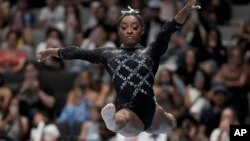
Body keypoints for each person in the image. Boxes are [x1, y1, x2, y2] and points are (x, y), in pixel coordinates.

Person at [37, 0, 201, 137]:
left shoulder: (151, 51)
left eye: (135, 27)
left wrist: (185, 10)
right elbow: (79, 52)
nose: (129, 31)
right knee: (123, 118)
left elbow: (168, 29)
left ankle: (119, 121)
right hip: (129, 111)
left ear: (142, 31)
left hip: (152, 110)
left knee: (172, 123)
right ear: (118, 31)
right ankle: (111, 121)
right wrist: (51, 52)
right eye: (124, 27)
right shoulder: (108, 54)